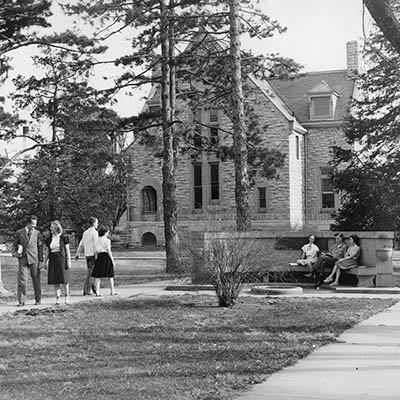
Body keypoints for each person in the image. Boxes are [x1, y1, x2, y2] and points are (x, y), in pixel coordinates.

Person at [12, 215, 43, 306]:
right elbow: (14, 244)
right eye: (33, 224)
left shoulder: (37, 233)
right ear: (28, 223)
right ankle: (21, 301)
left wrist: (41, 260)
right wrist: (15, 253)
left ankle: (38, 299)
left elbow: (40, 247)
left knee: (36, 280)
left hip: (34, 259)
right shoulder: (19, 232)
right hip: (23, 259)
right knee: (22, 280)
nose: (34, 226)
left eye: (35, 224)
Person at [43, 220, 72, 305]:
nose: (50, 228)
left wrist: (68, 260)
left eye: (52, 227)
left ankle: (67, 297)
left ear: (56, 227)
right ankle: (58, 298)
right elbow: (47, 251)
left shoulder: (64, 237)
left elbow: (67, 250)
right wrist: (45, 261)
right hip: (53, 260)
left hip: (62, 259)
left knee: (65, 279)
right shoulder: (49, 239)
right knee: (55, 280)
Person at [91, 225, 117, 296]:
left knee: (97, 276)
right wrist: (112, 260)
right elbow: (109, 251)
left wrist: (96, 258)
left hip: (99, 257)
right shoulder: (107, 240)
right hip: (106, 257)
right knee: (110, 275)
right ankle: (112, 291)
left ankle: (97, 291)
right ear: (105, 232)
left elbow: (95, 251)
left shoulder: (96, 240)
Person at [75, 217, 98, 295]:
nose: (97, 224)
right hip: (92, 254)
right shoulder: (94, 232)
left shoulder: (85, 232)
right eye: (97, 223)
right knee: (91, 273)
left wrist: (77, 253)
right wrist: (97, 255)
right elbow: (96, 244)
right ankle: (87, 290)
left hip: (87, 255)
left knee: (90, 272)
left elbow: (81, 244)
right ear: (94, 223)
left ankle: (94, 289)